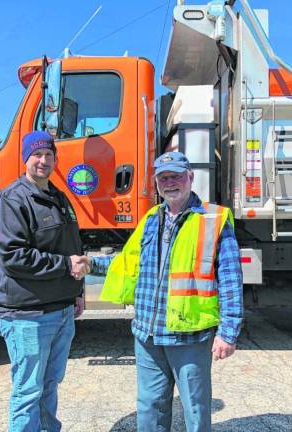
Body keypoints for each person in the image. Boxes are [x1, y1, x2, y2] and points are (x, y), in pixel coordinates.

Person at [87, 151, 243, 432]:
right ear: (157, 183)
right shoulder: (150, 218)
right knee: (150, 406)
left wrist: (228, 332)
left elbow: (230, 279)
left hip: (190, 336)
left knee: (195, 407)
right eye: (163, 178)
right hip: (148, 334)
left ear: (190, 177)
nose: (170, 183)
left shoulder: (213, 219)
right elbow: (127, 261)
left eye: (176, 176)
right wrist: (90, 264)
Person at [0, 130, 90, 432]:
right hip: (27, 316)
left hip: (60, 311)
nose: (43, 161)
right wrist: (65, 266)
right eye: (37, 155)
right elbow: (14, 257)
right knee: (28, 391)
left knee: (49, 385)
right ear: (25, 159)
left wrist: (77, 292)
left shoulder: (58, 198)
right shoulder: (11, 201)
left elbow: (73, 248)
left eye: (49, 155)